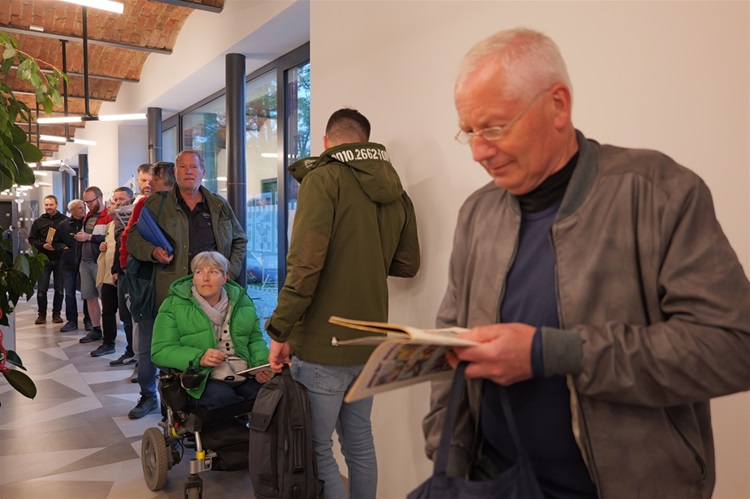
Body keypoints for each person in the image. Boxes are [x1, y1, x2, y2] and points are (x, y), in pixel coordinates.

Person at [421, 28, 750, 499]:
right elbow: (451, 345)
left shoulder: (659, 194)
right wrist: (450, 463)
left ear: (558, 105)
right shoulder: (477, 213)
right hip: (495, 484)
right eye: (469, 131)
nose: (478, 151)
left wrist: (551, 353)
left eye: (494, 128)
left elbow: (733, 346)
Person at [266, 108, 420, 499]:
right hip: (370, 341)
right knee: (360, 441)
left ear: (326, 142)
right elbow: (408, 264)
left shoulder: (324, 178)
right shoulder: (396, 190)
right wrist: (366, 260)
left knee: (317, 449)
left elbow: (305, 265)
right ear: (366, 141)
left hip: (324, 341)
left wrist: (280, 329)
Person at [126, 152, 246, 419]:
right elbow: (133, 240)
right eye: (183, 166)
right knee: (166, 353)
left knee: (208, 351)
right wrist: (152, 251)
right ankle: (158, 406)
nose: (188, 171)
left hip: (212, 295)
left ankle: (204, 412)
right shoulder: (157, 204)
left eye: (194, 166)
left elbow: (239, 240)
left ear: (204, 172)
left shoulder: (219, 205)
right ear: (176, 172)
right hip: (171, 293)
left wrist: (229, 270)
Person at [151, 251, 272, 410]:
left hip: (243, 372)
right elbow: (160, 350)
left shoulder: (242, 302)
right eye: (199, 272)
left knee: (272, 392)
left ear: (225, 278)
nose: (205, 278)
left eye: (213, 272)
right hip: (202, 378)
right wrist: (199, 357)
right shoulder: (173, 305)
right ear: (193, 277)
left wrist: (261, 366)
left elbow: (255, 339)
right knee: (223, 399)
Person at [89, 187, 133, 357]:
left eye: (121, 199)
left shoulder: (133, 223)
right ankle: (108, 343)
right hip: (110, 275)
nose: (117, 203)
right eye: (115, 199)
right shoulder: (111, 224)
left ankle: (131, 350)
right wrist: (102, 246)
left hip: (124, 274)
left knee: (127, 316)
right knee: (107, 310)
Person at [76, 186, 112, 344]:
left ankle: (109, 332)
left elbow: (109, 238)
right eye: (86, 202)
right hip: (85, 261)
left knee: (105, 298)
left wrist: (89, 237)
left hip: (100, 262)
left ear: (100, 198)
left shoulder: (109, 216)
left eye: (91, 201)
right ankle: (96, 329)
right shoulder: (88, 216)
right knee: (89, 296)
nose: (88, 205)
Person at [28, 195, 67, 325]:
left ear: (56, 205)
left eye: (51, 204)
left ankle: (56, 314)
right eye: (46, 205)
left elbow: (68, 239)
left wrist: (59, 246)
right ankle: (41, 315)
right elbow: (32, 239)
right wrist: (43, 245)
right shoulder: (38, 222)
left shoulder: (65, 220)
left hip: (60, 258)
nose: (48, 207)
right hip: (43, 259)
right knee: (42, 289)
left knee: (59, 288)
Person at [53, 199, 90, 332]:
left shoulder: (88, 223)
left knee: (87, 293)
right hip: (68, 264)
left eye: (83, 207)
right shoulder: (63, 225)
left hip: (85, 263)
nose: (83, 209)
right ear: (72, 210)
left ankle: (89, 320)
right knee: (69, 293)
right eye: (80, 207)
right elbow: (55, 242)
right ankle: (72, 321)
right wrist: (64, 248)